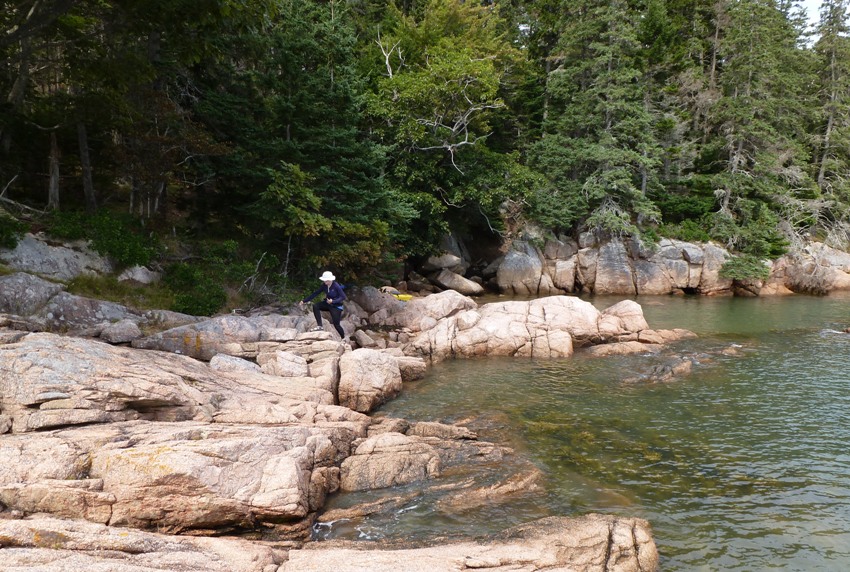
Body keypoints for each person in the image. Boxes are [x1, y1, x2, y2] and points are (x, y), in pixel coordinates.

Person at [299, 271, 346, 337]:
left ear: (330, 280)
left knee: (336, 325)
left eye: (326, 281)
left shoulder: (336, 286)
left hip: (336, 306)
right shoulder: (324, 285)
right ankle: (320, 326)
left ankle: (343, 338)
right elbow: (316, 293)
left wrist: (333, 301)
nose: (325, 282)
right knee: (316, 306)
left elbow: (343, 297)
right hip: (328, 304)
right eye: (324, 281)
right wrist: (304, 301)